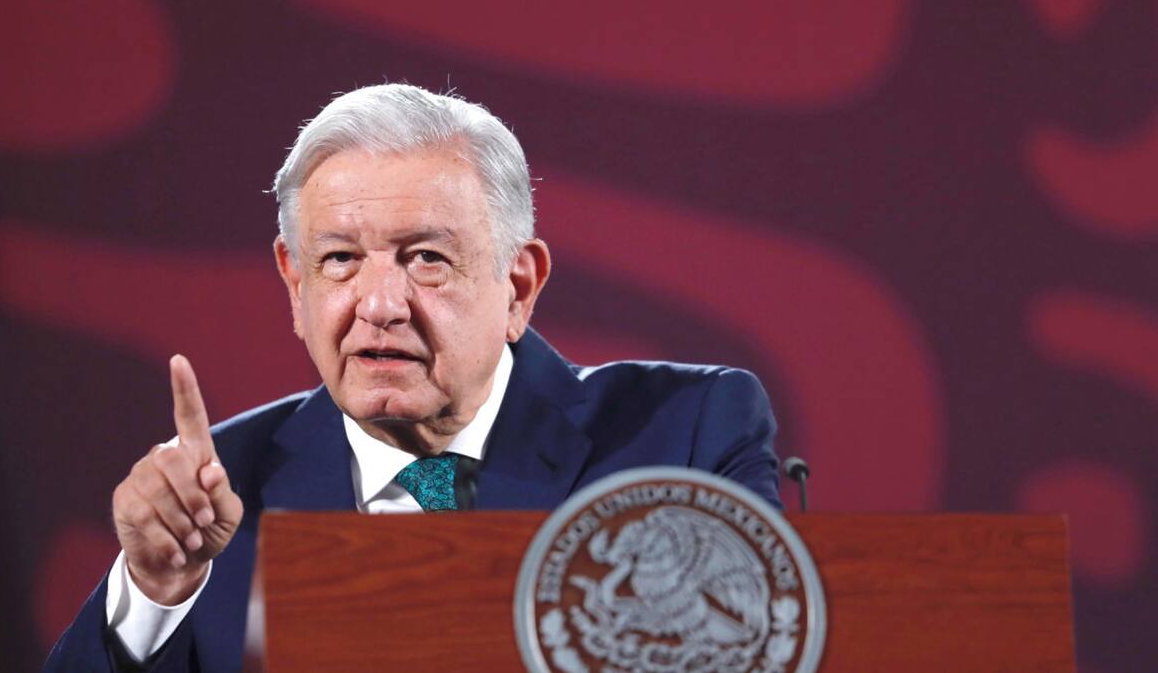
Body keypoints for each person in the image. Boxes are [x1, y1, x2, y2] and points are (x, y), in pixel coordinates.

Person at [43, 84, 781, 672]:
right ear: (293, 283)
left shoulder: (686, 434)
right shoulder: (221, 489)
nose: (380, 304)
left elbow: (765, 646)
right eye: (339, 260)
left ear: (518, 287)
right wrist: (151, 593)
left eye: (425, 257)